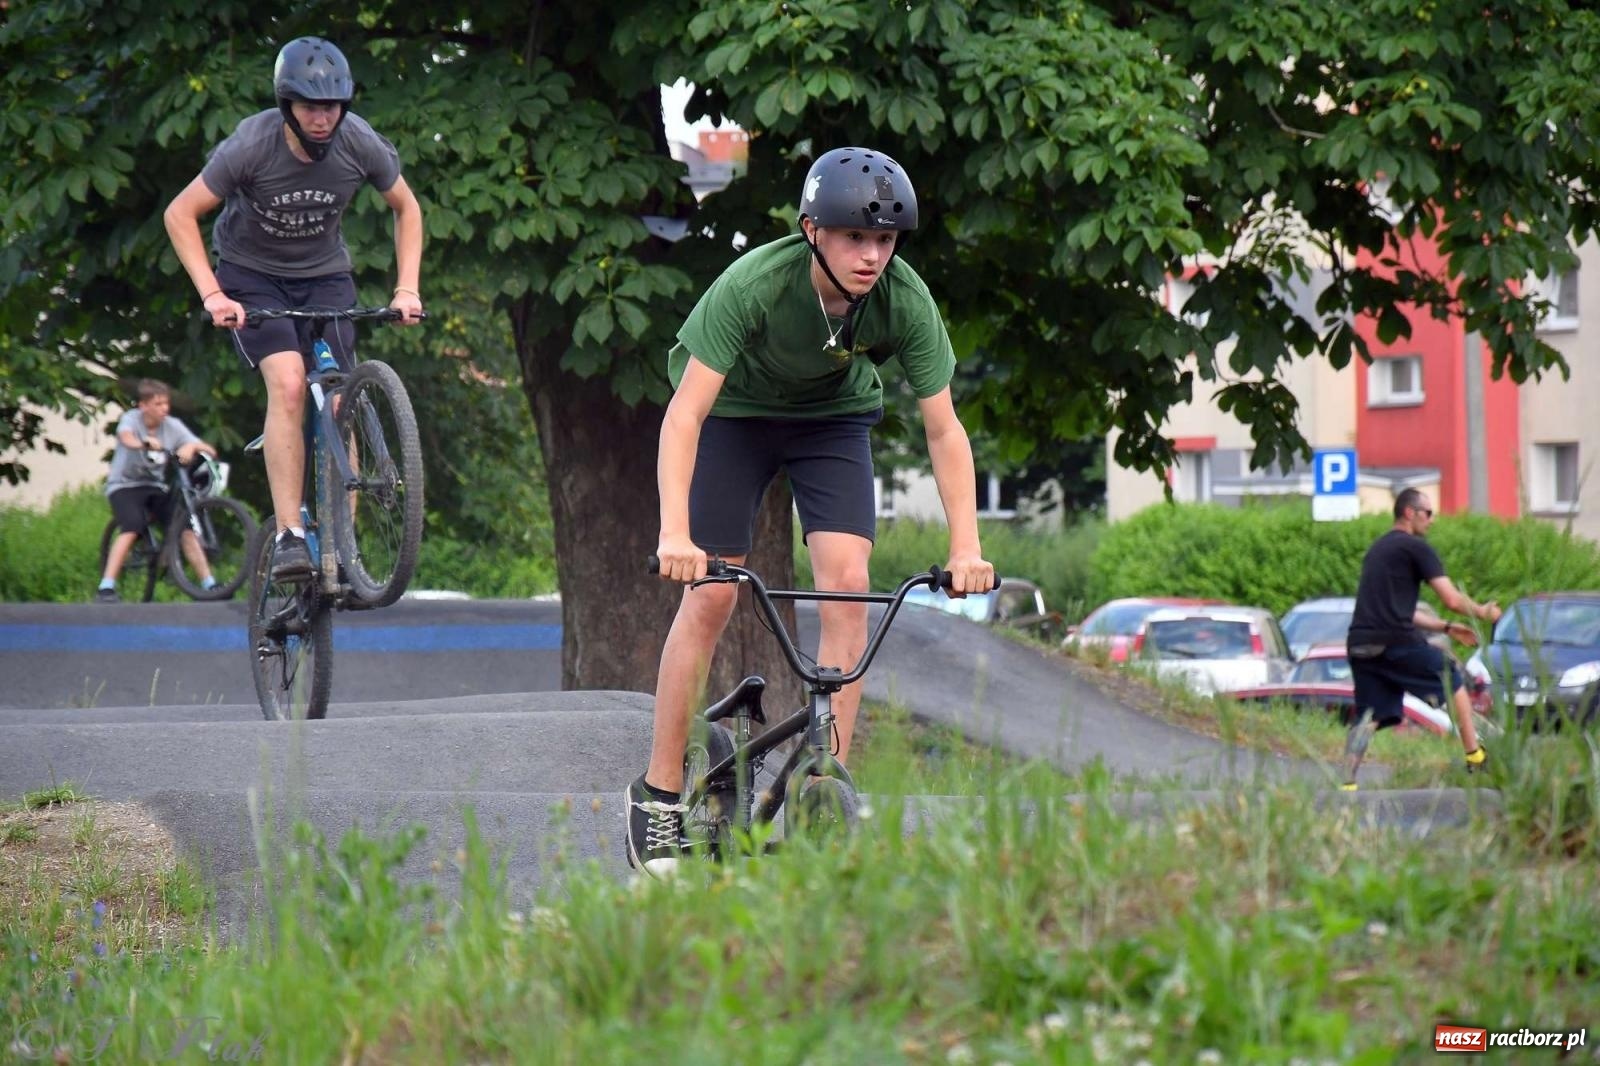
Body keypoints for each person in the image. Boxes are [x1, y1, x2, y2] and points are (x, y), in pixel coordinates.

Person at [626, 147, 996, 876]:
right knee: (714, 592)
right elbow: (684, 417)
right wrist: (675, 532)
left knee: (846, 583)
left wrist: (966, 547)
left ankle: (824, 792)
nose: (872, 256)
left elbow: (945, 428)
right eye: (855, 238)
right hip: (734, 417)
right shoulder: (754, 286)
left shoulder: (905, 301)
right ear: (811, 231)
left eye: (885, 241)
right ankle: (659, 797)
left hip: (832, 420)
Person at [163, 35, 423, 581]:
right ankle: (289, 536)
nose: (322, 118)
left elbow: (407, 207)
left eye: (331, 106)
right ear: (288, 105)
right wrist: (214, 295)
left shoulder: (360, 143)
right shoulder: (252, 145)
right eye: (310, 106)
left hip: (325, 277)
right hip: (251, 279)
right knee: (286, 383)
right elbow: (179, 214)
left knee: (336, 399)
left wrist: (407, 287)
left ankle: (342, 550)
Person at [1342, 488, 1503, 788]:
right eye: (1427, 513)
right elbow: (1452, 599)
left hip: (1361, 644)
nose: (1431, 520)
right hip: (1394, 641)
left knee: (1369, 716)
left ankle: (1346, 782)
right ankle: (1475, 758)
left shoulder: (1377, 550)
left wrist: (1445, 628)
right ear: (1409, 513)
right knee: (1450, 676)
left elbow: (1404, 610)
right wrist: (1484, 612)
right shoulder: (1416, 548)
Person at [98, 380, 220, 602]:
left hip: (154, 487)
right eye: (158, 403)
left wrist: (191, 446)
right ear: (143, 405)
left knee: (185, 527)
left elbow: (208, 449)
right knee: (132, 526)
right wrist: (144, 443)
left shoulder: (172, 425)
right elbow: (125, 437)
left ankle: (209, 584)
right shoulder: (131, 419)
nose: (164, 408)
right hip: (124, 486)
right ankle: (106, 586)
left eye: (166, 403)